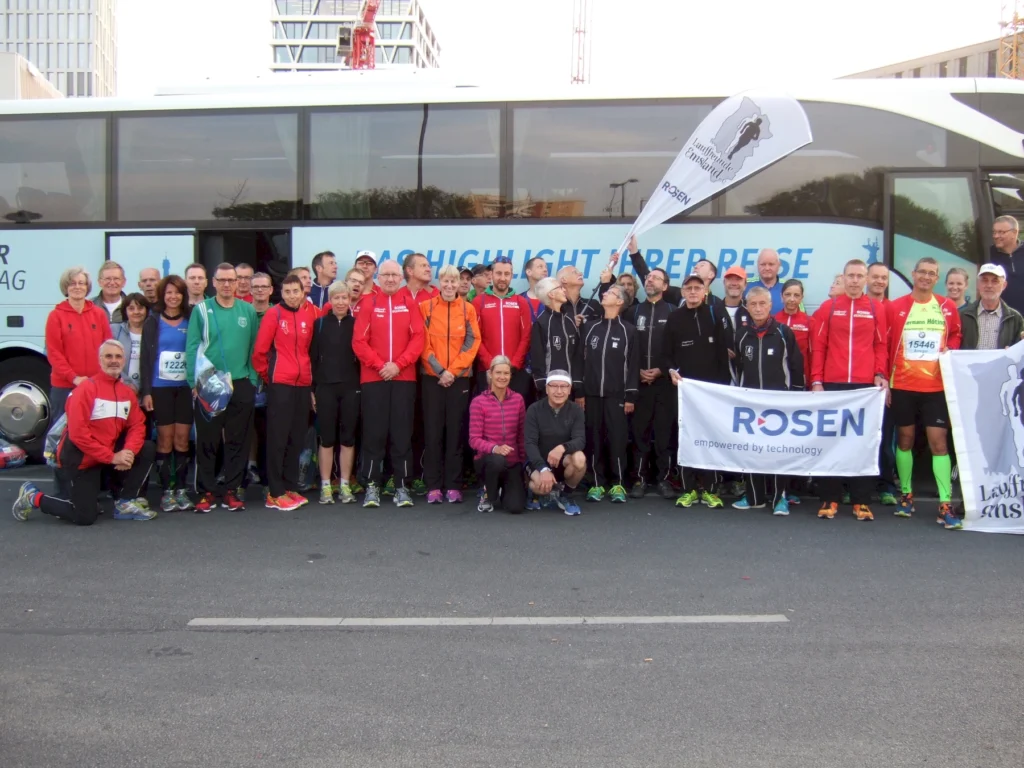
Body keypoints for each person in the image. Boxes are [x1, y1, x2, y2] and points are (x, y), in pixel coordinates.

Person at [13, 339, 157, 525]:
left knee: (146, 448)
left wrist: (128, 452)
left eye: (118, 357)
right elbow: (78, 435)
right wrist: (112, 457)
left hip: (105, 456)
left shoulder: (127, 393)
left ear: (124, 360)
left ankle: (125, 502)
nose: (114, 361)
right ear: (100, 360)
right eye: (108, 356)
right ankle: (33, 496)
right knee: (84, 517)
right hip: (81, 459)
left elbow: (137, 425)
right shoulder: (85, 390)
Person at [885, 257, 963, 529]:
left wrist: (950, 348)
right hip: (902, 385)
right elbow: (886, 342)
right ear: (914, 274)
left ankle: (945, 503)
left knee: (938, 444)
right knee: (904, 440)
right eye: (922, 272)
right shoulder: (896, 307)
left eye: (932, 274)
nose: (926, 277)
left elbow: (955, 335)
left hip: (935, 388)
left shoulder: (947, 306)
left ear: (936, 278)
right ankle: (906, 495)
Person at [810, 259, 888, 522]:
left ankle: (861, 499)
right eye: (850, 276)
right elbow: (819, 346)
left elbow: (881, 345)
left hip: (865, 387)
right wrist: (817, 380)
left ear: (866, 279)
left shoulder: (876, 308)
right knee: (831, 441)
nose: (855, 280)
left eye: (859, 276)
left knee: (862, 443)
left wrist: (880, 374)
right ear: (843, 278)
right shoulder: (829, 307)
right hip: (833, 384)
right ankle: (829, 497)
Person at [186, 263, 259, 513]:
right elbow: (192, 346)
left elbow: (255, 347)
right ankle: (206, 491)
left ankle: (232, 489)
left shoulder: (247, 310)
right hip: (209, 382)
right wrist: (193, 382)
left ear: (238, 283)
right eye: (222, 280)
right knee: (208, 439)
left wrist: (252, 379)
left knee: (238, 439)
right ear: (214, 282)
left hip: (241, 382)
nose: (227, 285)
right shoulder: (201, 310)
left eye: (231, 280)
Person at [352, 259, 426, 508]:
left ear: (402, 277)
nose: (391, 279)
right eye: (386, 275)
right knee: (374, 433)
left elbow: (418, 339)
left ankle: (401, 485)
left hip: (404, 378)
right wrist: (380, 365)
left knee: (402, 434)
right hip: (374, 379)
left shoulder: (410, 304)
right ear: (378, 278)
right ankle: (372, 485)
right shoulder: (368, 303)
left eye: (395, 275)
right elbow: (359, 342)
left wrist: (398, 365)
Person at [732, 287, 805, 515]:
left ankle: (779, 497)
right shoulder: (741, 335)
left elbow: (796, 366)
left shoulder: (783, 332)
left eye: (762, 303)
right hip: (751, 404)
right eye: (753, 304)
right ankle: (754, 497)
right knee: (752, 449)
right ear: (747, 307)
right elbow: (737, 367)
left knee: (777, 450)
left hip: (779, 404)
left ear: (770, 305)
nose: (758, 308)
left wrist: (796, 396)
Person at [665, 274, 732, 509]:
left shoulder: (714, 313)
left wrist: (722, 389)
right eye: (689, 288)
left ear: (705, 292)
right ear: (683, 292)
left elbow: (724, 353)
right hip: (684, 391)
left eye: (697, 288)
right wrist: (671, 371)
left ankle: (711, 489)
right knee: (686, 437)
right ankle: (689, 489)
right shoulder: (674, 318)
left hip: (711, 392)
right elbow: (666, 354)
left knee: (710, 437)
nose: (693, 292)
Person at [253, 273, 318, 512]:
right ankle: (275, 491)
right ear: (281, 293)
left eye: (295, 291)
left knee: (296, 437)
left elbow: (309, 351)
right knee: (278, 438)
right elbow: (259, 353)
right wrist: (270, 377)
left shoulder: (308, 316)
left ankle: (290, 487)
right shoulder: (274, 314)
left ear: (303, 293)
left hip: (302, 385)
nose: (292, 296)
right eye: (287, 292)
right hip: (280, 384)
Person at [419, 265, 481, 504]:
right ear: (440, 282)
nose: (449, 285)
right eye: (446, 281)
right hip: (432, 378)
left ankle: (453, 485)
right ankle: (433, 485)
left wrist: (452, 372)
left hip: (458, 379)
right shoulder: (426, 307)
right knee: (432, 433)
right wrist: (440, 371)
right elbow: (423, 343)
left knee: (455, 432)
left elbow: (472, 342)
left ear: (459, 285)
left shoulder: (467, 309)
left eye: (454, 281)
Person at [139, 275, 194, 513]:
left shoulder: (191, 318)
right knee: (165, 439)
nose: (173, 297)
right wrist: (146, 392)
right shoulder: (152, 321)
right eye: (169, 292)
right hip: (160, 388)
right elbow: (145, 359)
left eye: (177, 292)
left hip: (185, 388)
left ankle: (181, 490)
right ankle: (166, 492)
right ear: (163, 295)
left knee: (182, 439)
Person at [581, 285, 639, 503]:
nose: (605, 294)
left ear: (620, 302)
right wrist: (580, 391)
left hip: (617, 396)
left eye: (611, 293)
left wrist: (630, 396)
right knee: (593, 438)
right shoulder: (589, 327)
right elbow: (579, 359)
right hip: (591, 394)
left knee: (617, 439)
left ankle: (618, 483)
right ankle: (596, 483)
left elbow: (633, 365)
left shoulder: (629, 330)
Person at [311, 282, 361, 505]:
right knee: (327, 438)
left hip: (351, 387)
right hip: (325, 387)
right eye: (336, 298)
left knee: (348, 438)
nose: (341, 302)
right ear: (330, 300)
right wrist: (311, 390)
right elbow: (312, 358)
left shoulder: (357, 324)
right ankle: (325, 485)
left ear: (350, 299)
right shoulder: (320, 324)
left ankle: (345, 484)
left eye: (344, 298)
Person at [628, 267, 676, 499]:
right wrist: (636, 371)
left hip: (664, 384)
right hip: (639, 383)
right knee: (640, 433)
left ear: (665, 286)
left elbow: (678, 349)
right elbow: (626, 346)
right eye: (648, 277)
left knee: (664, 434)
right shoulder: (633, 311)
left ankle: (664, 479)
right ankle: (640, 478)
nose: (650, 280)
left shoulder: (674, 311)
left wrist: (661, 370)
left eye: (656, 278)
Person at [45, 267, 113, 423]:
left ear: (87, 287)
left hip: (96, 384)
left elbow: (108, 347)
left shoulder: (98, 314)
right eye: (72, 283)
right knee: (61, 430)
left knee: (96, 427)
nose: (77, 287)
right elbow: (54, 353)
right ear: (66, 287)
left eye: (81, 283)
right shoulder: (56, 316)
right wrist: (73, 378)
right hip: (64, 386)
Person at [469, 356, 527, 513]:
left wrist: (523, 462)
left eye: (506, 373)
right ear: (490, 374)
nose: (502, 377)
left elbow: (521, 435)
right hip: (488, 461)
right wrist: (495, 448)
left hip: (512, 462)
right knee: (497, 460)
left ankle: (502, 490)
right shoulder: (478, 402)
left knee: (515, 507)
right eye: (498, 373)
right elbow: (474, 440)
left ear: (510, 376)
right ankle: (488, 493)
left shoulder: (518, 399)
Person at [524, 371, 586, 515]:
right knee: (541, 487)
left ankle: (566, 495)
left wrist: (562, 448)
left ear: (569, 390)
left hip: (562, 460)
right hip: (538, 462)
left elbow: (580, 440)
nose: (559, 391)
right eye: (554, 386)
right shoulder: (534, 409)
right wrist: (543, 468)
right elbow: (530, 443)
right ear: (547, 388)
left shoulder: (576, 410)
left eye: (564, 386)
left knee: (579, 458)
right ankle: (533, 491)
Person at [472, 256, 533, 397]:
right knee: (488, 409)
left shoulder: (521, 302)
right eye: (499, 273)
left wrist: (514, 364)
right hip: (487, 370)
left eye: (507, 274)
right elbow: (475, 337)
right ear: (491, 275)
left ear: (512, 276)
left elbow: (526, 336)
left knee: (515, 410)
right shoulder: (479, 302)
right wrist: (491, 364)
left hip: (515, 371)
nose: (503, 278)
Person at [530, 276, 583, 396]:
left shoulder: (570, 320)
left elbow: (577, 354)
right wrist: (542, 383)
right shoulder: (542, 322)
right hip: (550, 387)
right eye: (560, 288)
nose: (564, 290)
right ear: (551, 294)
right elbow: (537, 357)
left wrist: (577, 382)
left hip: (570, 386)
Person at [246, 272, 275, 489]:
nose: (260, 290)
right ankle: (247, 471)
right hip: (246, 377)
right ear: (250, 289)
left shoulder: (277, 313)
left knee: (266, 429)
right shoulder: (243, 312)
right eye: (256, 287)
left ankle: (267, 479)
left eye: (264, 287)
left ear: (271, 290)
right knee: (245, 428)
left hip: (270, 379)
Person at [960, 263, 1024, 350]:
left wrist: (1013, 350)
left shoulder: (1015, 319)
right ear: (978, 284)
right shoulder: (963, 316)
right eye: (984, 280)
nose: (989, 285)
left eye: (995, 281)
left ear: (1004, 285)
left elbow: (1020, 350)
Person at [775, 279, 812, 388]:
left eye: (796, 295)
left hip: (801, 377)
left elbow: (813, 354)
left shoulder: (810, 321)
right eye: (788, 294)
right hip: (778, 377)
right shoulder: (773, 320)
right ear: (781, 296)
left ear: (801, 298)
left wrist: (812, 380)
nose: (792, 299)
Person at [111, 293, 150, 394]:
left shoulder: (153, 331)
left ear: (146, 310)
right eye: (131, 308)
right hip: (120, 386)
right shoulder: (114, 330)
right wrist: (126, 382)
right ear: (125, 311)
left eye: (140, 308)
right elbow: (110, 360)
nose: (136, 312)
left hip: (147, 389)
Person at [989, 215, 1024, 314]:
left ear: (1014, 233)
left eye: (1001, 232)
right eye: (994, 232)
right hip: (1002, 316)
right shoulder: (989, 254)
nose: (996, 236)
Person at [744, 249, 784, 314]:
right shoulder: (746, 285)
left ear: (779, 265)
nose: (767, 268)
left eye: (771, 264)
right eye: (763, 264)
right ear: (757, 264)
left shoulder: (788, 287)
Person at [523, 256, 549, 321]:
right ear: (529, 272)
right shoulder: (519, 299)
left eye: (546, 267)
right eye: (540, 267)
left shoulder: (553, 298)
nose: (545, 270)